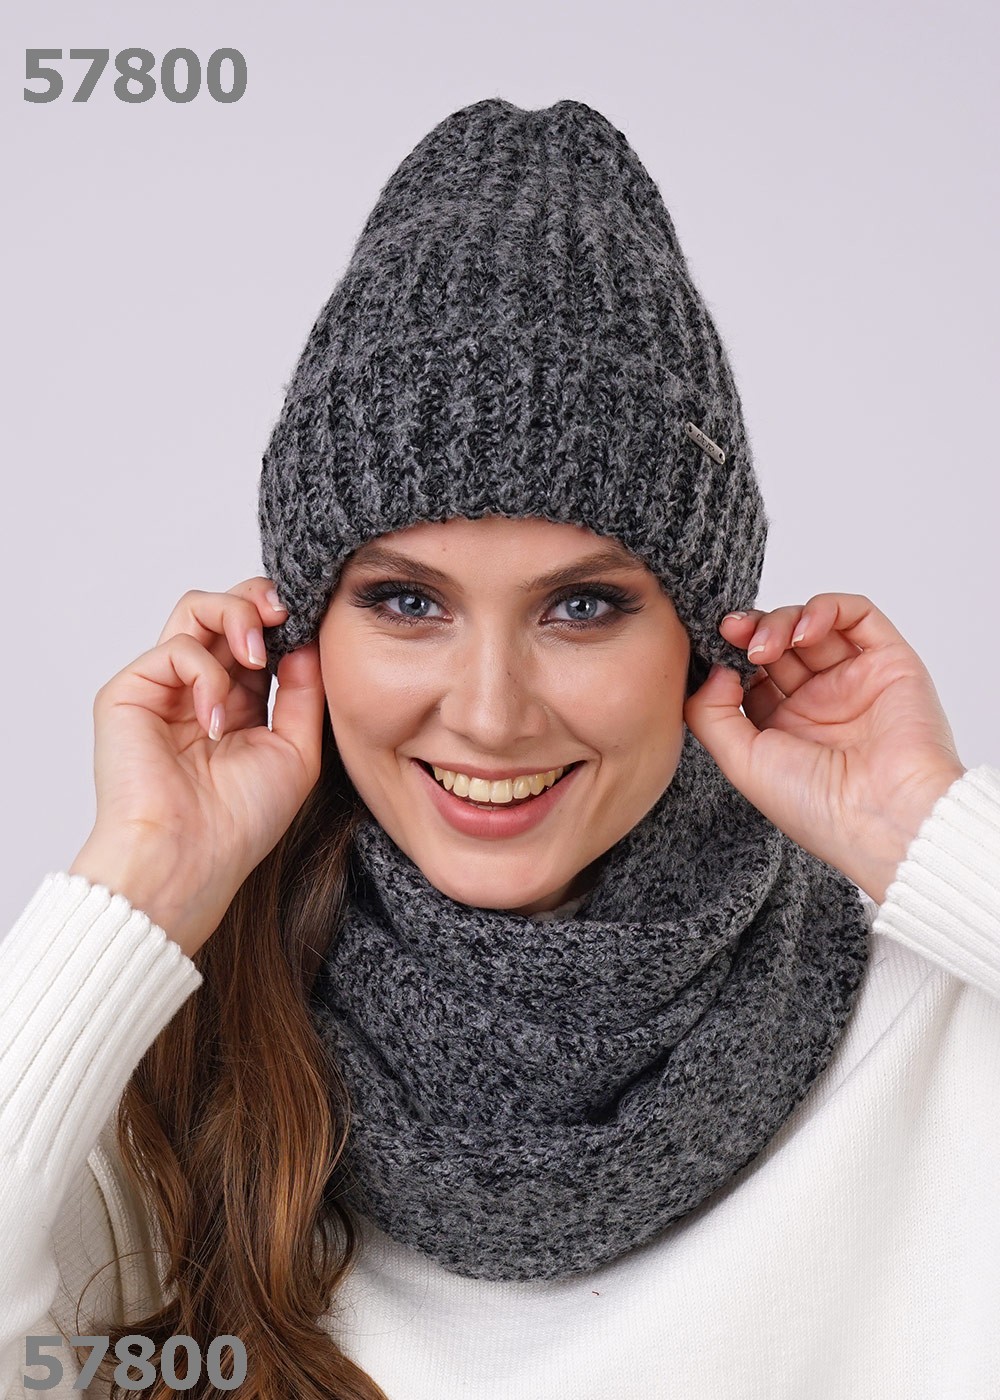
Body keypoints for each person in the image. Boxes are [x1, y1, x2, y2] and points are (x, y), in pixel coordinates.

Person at [2, 95, 999, 1400]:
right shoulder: (156, 1068)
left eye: (581, 608)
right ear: (300, 633)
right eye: (405, 602)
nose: (488, 712)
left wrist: (922, 823)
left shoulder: (938, 1038)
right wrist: (139, 876)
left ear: (703, 642)